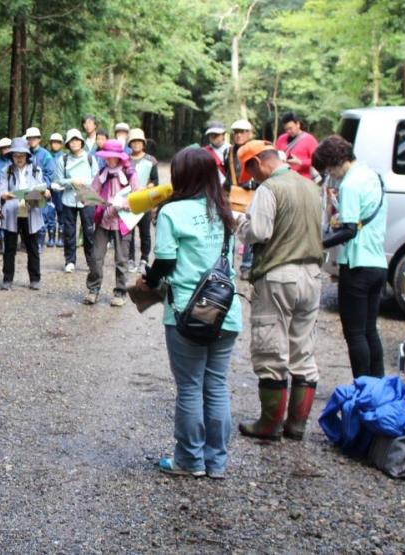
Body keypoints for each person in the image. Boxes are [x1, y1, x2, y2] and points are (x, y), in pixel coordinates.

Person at [135, 147, 242, 478]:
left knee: (191, 387)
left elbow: (165, 262)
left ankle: (189, 460)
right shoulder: (225, 211)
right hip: (226, 310)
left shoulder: (171, 213)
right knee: (217, 386)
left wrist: (146, 283)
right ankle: (216, 463)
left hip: (188, 312)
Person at [235, 140, 323, 441]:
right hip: (312, 275)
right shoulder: (311, 187)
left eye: (250, 171)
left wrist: (239, 224)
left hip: (278, 275)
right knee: (303, 349)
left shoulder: (269, 190)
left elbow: (258, 231)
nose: (252, 178)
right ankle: (296, 425)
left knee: (271, 349)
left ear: (258, 163)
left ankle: (269, 425)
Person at [315, 135, 387, 379]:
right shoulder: (373, 176)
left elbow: (349, 229)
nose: (330, 174)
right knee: (369, 330)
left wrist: (318, 244)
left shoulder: (350, 184)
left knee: (354, 333)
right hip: (378, 263)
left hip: (357, 265)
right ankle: (377, 385)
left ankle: (362, 387)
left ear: (335, 162)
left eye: (328, 168)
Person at [85, 140, 139, 307]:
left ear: (119, 158)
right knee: (95, 256)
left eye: (112, 157)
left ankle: (120, 292)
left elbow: (137, 198)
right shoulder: (102, 172)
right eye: (106, 157)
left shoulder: (130, 173)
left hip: (122, 221)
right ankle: (93, 289)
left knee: (121, 259)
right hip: (104, 219)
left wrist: (123, 204)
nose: (108, 160)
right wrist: (84, 194)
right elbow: (92, 191)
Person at [0, 138, 48, 290]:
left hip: (31, 211)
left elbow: (41, 190)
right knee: (10, 248)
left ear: (27, 156)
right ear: (11, 156)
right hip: (12, 212)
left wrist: (45, 193)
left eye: (22, 155)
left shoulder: (35, 170)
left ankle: (35, 279)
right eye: (15, 155)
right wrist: (5, 195)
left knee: (32, 247)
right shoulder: (6, 170)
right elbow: (1, 190)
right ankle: (7, 279)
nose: (19, 158)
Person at [54, 129, 99, 274]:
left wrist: (84, 183)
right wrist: (71, 182)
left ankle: (91, 261)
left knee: (89, 230)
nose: (74, 143)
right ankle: (70, 261)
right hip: (68, 198)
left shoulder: (90, 158)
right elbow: (59, 180)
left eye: (76, 140)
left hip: (86, 197)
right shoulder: (63, 159)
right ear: (67, 143)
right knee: (69, 231)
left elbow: (96, 179)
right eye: (71, 140)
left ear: (82, 142)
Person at [226, 119, 257, 279]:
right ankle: (228, 265)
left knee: (249, 233)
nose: (238, 135)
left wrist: (252, 183)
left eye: (242, 132)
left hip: (252, 197)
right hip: (233, 198)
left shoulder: (255, 150)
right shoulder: (229, 152)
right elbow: (226, 175)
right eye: (236, 132)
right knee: (228, 233)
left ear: (249, 134)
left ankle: (247, 266)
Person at [126, 128, 159, 273]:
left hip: (145, 201)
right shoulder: (125, 160)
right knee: (129, 232)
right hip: (129, 201)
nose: (136, 144)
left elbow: (155, 181)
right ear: (130, 144)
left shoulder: (151, 160)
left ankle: (144, 259)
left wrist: (144, 188)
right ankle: (130, 258)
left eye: (139, 141)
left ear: (143, 143)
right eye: (134, 142)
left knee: (145, 232)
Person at [24, 127, 54, 249]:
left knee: (41, 215)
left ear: (39, 139)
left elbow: (50, 174)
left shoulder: (46, 155)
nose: (32, 140)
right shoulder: (25, 153)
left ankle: (40, 242)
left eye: (34, 138)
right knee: (27, 215)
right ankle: (29, 242)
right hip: (27, 190)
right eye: (29, 138)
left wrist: (42, 187)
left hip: (41, 190)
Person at [276, 112, 319, 180]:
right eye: (286, 129)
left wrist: (300, 162)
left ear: (298, 124)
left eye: (290, 128)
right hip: (284, 179)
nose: (288, 131)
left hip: (303, 181)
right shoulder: (281, 139)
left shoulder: (309, 140)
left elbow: (318, 161)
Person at [45, 133, 65, 247]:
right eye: (53, 142)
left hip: (61, 189)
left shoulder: (65, 156)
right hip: (50, 188)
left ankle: (60, 238)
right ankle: (51, 237)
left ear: (61, 144)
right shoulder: (47, 155)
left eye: (58, 142)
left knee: (61, 213)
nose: (55, 144)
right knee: (50, 212)